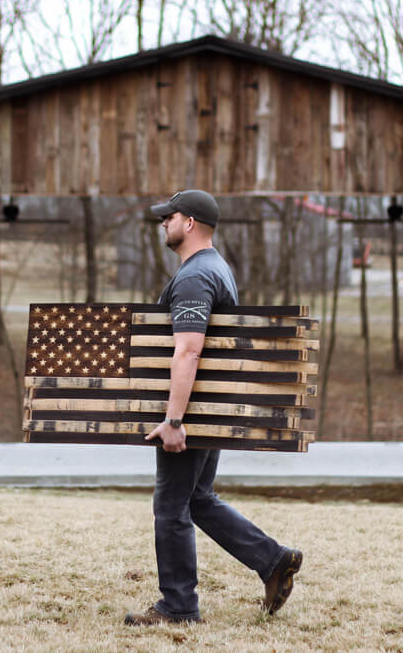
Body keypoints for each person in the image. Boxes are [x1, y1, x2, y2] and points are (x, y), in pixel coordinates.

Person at [123, 189, 303, 626]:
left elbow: (189, 351)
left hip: (193, 413)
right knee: (197, 498)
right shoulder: (216, 267)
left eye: (169, 216)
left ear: (189, 223)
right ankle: (273, 559)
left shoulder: (194, 278)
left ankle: (179, 607)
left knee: (171, 507)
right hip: (209, 409)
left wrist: (173, 421)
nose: (162, 223)